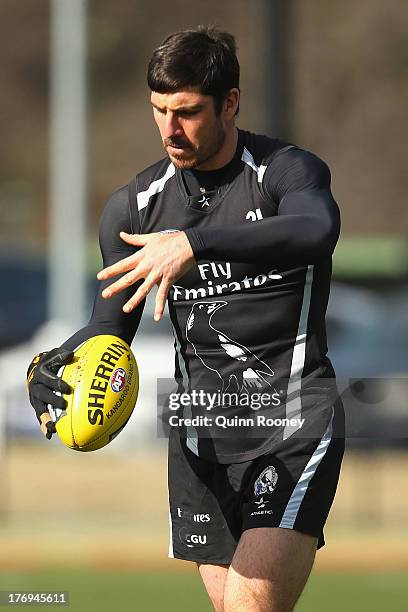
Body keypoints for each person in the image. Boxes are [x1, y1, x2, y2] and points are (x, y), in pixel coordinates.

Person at [27, 27, 345, 612]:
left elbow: (317, 230)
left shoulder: (283, 172)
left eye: (188, 112)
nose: (171, 129)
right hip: (200, 432)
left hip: (293, 418)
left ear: (230, 102)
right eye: (160, 111)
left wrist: (195, 244)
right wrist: (53, 368)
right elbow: (110, 332)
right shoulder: (134, 207)